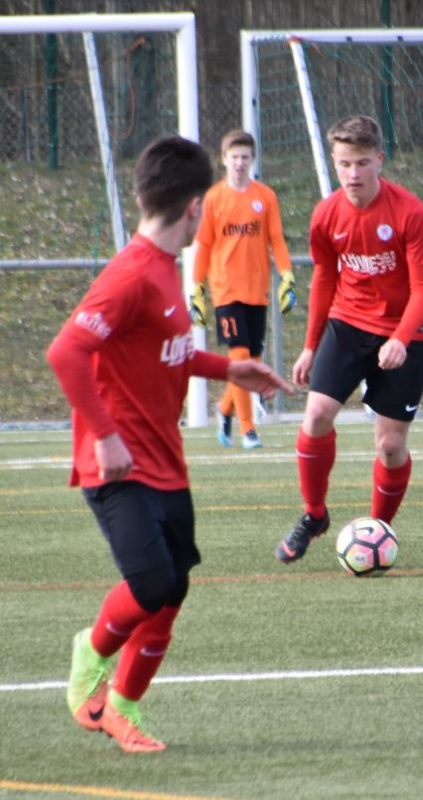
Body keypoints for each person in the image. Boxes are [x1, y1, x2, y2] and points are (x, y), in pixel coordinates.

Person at [47, 135, 292, 753]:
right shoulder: (131, 274)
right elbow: (67, 352)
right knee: (153, 583)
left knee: (172, 591)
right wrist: (105, 438)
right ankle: (90, 652)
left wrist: (228, 369)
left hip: (164, 460)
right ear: (194, 208)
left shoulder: (164, 269)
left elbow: (167, 352)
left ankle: (121, 709)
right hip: (117, 465)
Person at [274, 114, 423, 563]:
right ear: (334, 162)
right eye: (344, 163)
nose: (352, 173)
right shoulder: (326, 214)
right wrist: (310, 346)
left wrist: (401, 338)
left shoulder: (409, 212)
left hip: (407, 331)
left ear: (379, 161)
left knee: (390, 445)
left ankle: (377, 532)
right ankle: (314, 514)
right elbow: (324, 279)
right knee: (316, 415)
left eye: (362, 163)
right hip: (347, 323)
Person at [189, 129, 296, 450]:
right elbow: (203, 246)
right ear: (224, 159)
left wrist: (287, 276)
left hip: (257, 290)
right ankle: (248, 429)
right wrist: (197, 289)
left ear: (252, 160)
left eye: (245, 157)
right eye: (234, 157)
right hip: (226, 292)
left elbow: (276, 239)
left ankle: (225, 409)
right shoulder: (213, 198)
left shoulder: (265, 197)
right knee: (238, 359)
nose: (239, 163)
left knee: (254, 361)